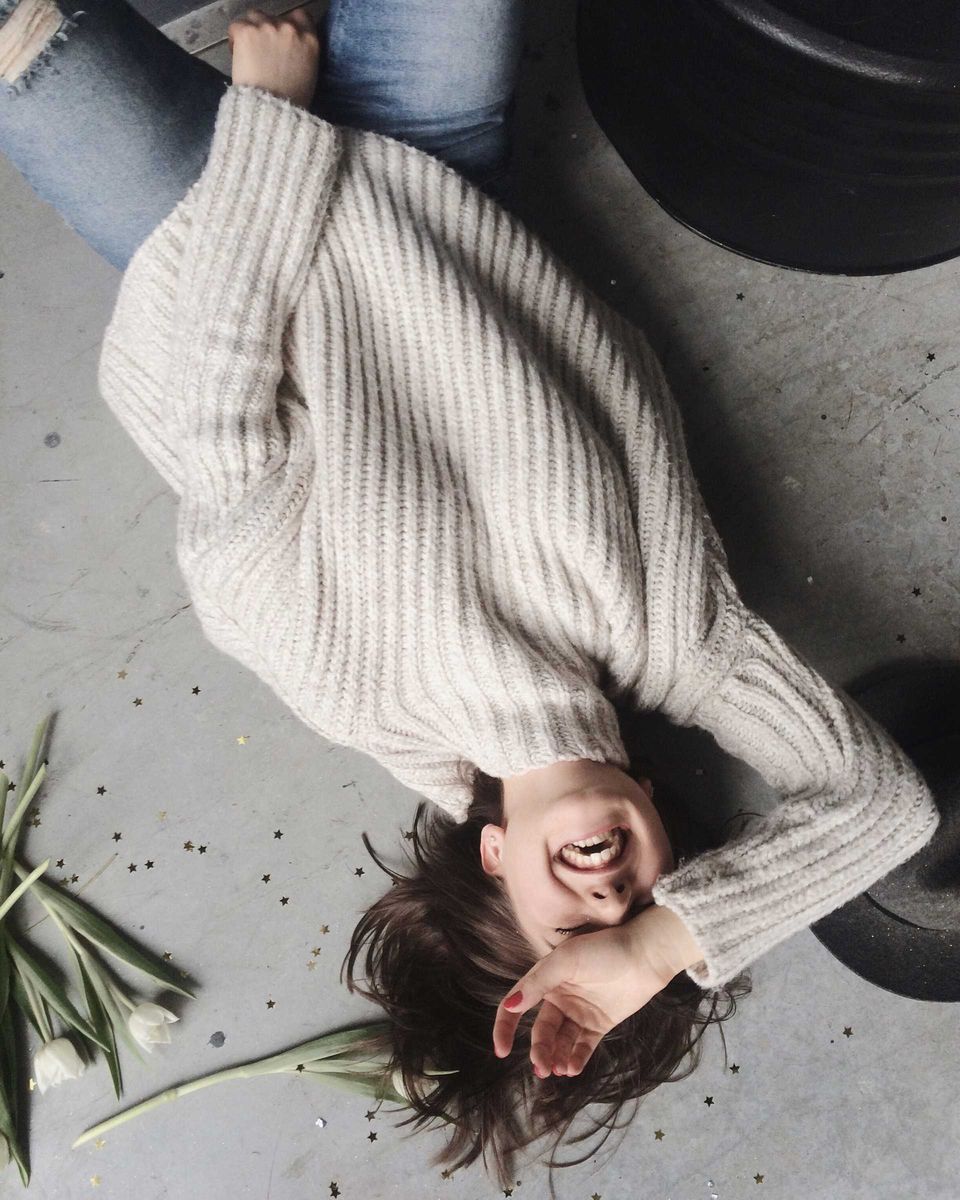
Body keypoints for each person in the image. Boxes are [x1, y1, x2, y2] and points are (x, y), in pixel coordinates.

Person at [0, 1, 940, 1192]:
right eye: (645, 904)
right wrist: (662, 950)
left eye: (577, 926)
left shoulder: (359, 691)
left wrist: (272, 121)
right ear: (665, 835)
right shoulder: (676, 638)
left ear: (493, 855)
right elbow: (887, 810)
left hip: (207, 218)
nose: (612, 892)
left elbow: (219, 421)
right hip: (436, 172)